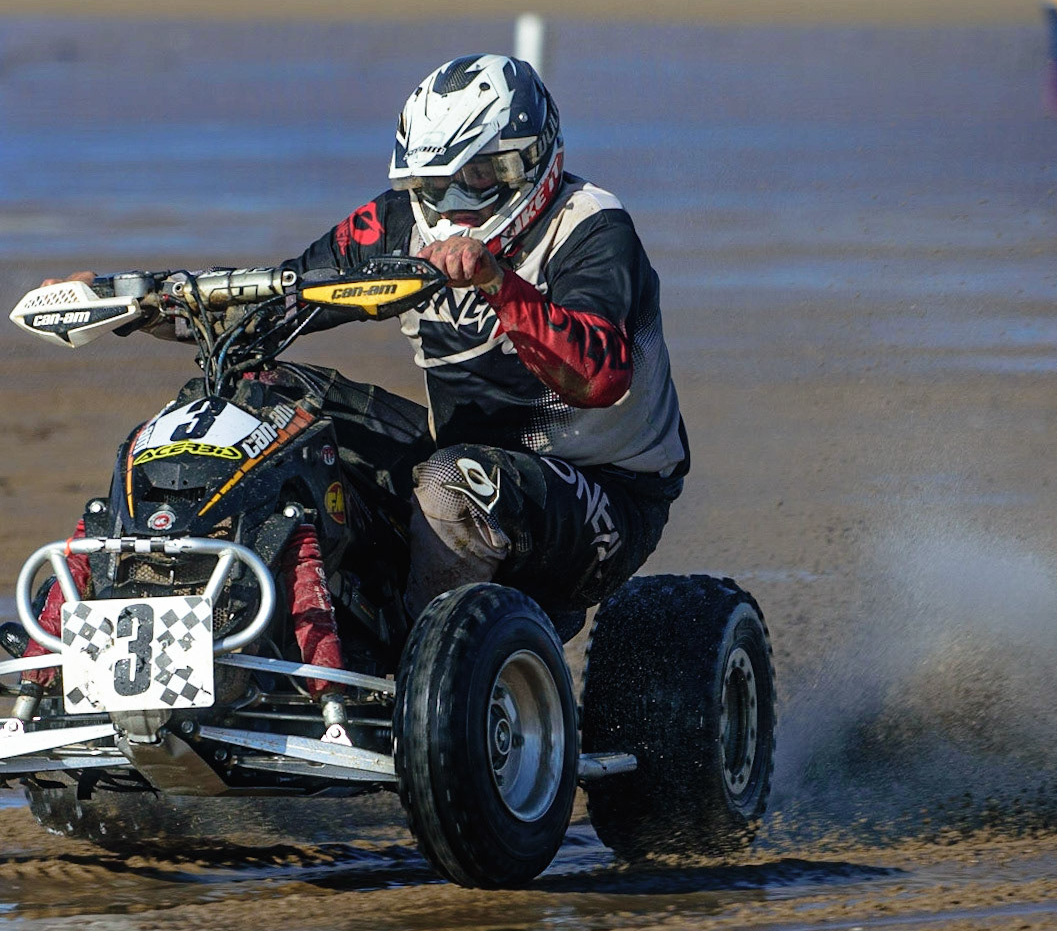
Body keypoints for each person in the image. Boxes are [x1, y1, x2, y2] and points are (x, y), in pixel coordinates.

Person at [42, 53, 687, 652]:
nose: (453, 207)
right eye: (435, 186)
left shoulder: (592, 226)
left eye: (478, 179)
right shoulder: (398, 221)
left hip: (605, 492)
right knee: (256, 403)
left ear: (532, 160)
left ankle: (425, 676)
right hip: (456, 452)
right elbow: (285, 298)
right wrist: (133, 304)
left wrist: (497, 283)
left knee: (452, 482)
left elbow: (598, 377)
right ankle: (136, 631)